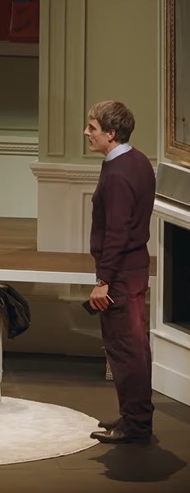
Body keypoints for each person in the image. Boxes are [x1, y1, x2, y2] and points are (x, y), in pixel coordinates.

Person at [84, 100, 155, 444]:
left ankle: (136, 424)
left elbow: (117, 232)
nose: (86, 132)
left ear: (111, 134)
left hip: (121, 275)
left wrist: (104, 281)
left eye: (92, 128)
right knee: (135, 347)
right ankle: (134, 417)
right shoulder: (137, 160)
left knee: (126, 350)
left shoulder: (118, 173)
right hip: (135, 268)